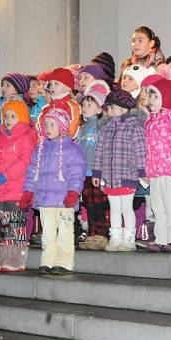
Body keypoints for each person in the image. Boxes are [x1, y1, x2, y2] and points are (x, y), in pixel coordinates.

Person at [21, 109, 85, 274]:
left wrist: (73, 192)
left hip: (64, 200)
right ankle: (47, 260)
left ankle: (64, 262)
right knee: (47, 234)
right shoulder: (40, 149)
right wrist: (28, 192)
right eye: (46, 124)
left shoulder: (72, 149)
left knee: (65, 232)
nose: (48, 128)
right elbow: (31, 173)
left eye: (52, 124)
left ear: (62, 126)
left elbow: (77, 173)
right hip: (44, 198)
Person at [0, 100, 38, 272]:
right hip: (0, 190)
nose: (8, 119)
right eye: (6, 116)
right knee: (6, 225)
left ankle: (18, 258)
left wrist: (6, 175)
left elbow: (25, 161)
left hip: (16, 189)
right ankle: (7, 255)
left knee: (16, 224)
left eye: (13, 116)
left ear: (22, 117)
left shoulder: (27, 136)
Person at [91, 90, 147, 252]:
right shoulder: (106, 128)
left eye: (111, 107)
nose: (108, 111)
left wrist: (142, 172)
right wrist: (97, 172)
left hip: (127, 174)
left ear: (123, 109)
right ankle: (115, 238)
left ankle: (129, 239)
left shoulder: (134, 127)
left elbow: (140, 150)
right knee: (114, 208)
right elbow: (99, 151)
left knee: (126, 207)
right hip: (110, 176)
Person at [143, 77, 171, 251]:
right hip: (155, 170)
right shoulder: (151, 121)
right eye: (149, 96)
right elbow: (148, 149)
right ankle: (161, 237)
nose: (150, 101)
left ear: (166, 98)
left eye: (155, 97)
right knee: (157, 206)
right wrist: (147, 170)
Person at [76, 81, 111, 250]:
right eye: (84, 104)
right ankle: (91, 232)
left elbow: (104, 150)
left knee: (100, 204)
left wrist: (101, 171)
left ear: (99, 109)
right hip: (85, 174)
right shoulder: (82, 128)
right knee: (88, 204)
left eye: (90, 104)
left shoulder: (102, 127)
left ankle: (101, 234)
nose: (85, 107)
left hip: (98, 172)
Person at [37, 67, 82, 139]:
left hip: (65, 146)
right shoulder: (47, 108)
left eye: (56, 84)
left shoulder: (73, 106)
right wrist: (41, 139)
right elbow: (40, 125)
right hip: (47, 145)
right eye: (51, 84)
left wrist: (62, 141)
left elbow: (73, 127)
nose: (52, 87)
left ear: (68, 87)